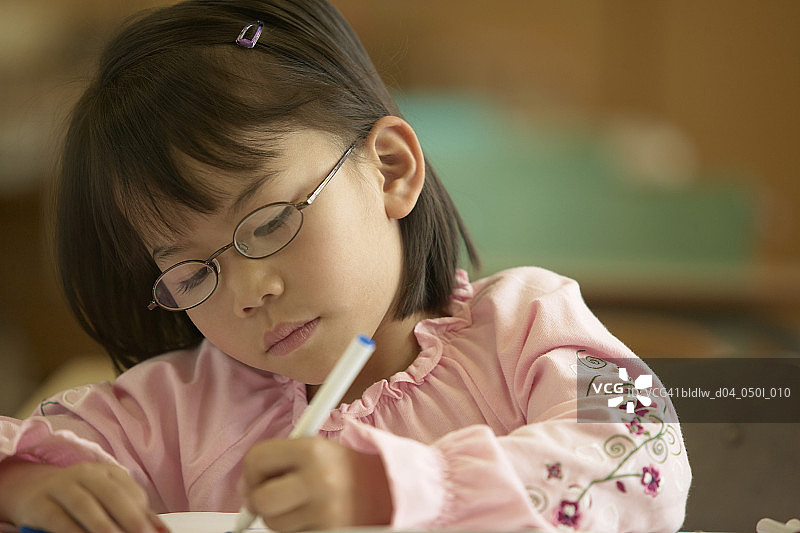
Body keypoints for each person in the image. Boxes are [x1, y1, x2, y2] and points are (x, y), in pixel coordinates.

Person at [0, 1, 691, 531]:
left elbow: (646, 452)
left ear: (391, 169)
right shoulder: (172, 412)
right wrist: (21, 482)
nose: (248, 291)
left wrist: (390, 489)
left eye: (269, 222)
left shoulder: (529, 322)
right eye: (191, 274)